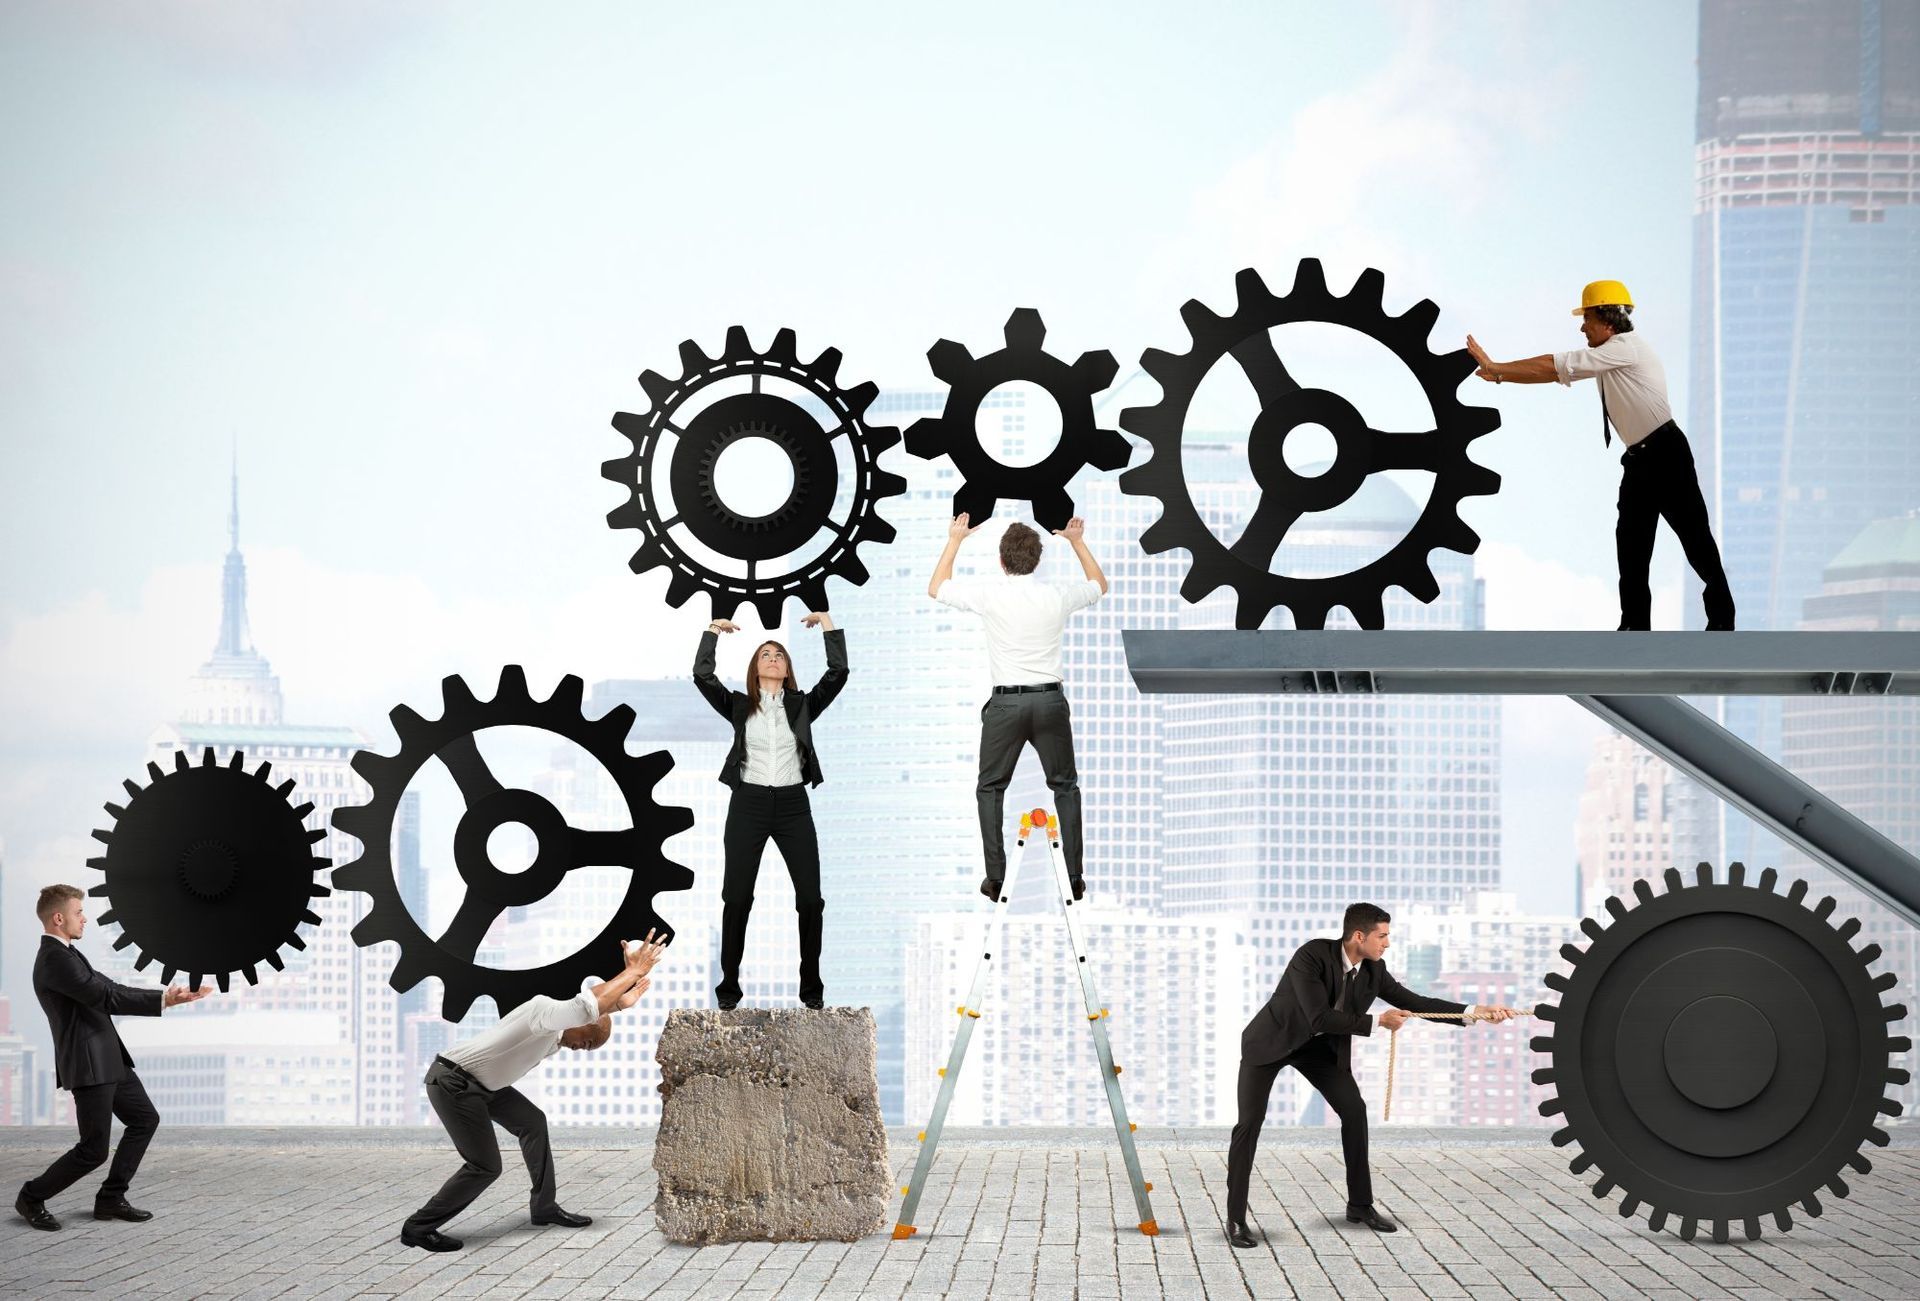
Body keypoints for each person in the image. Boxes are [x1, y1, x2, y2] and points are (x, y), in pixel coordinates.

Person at [1224, 903, 1517, 1246]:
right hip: (1271, 1043)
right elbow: (1318, 1017)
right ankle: (1236, 1219)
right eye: (1383, 936)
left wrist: (1474, 1012)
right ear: (1359, 936)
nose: (1387, 943)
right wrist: (1379, 1021)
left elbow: (1414, 1001)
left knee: (1354, 1111)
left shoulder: (1374, 969)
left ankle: (1360, 1206)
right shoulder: (1312, 956)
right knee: (1249, 1124)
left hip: (1321, 1051)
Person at [1466, 281, 1735, 631]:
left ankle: (1722, 620)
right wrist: (1500, 374)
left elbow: (1554, 367)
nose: (1582, 327)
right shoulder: (1608, 354)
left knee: (1694, 536)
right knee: (1631, 545)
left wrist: (1497, 368)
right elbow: (1555, 373)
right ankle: (1635, 626)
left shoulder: (1625, 348)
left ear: (1609, 320)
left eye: (1587, 319)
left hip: (1666, 454)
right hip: (1639, 460)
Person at [401, 932, 669, 1252]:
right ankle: (417, 1227)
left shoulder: (554, 1037)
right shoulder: (545, 1012)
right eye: (587, 1042)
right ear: (579, 1025)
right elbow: (586, 1007)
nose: (582, 1049)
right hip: (454, 1082)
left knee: (533, 1122)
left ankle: (544, 1208)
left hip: (485, 1086)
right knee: (485, 1166)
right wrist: (633, 971)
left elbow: (595, 1009)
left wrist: (621, 1000)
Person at [929, 515, 1107, 902]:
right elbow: (1099, 584)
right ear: (1037, 560)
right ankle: (1074, 876)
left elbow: (937, 587)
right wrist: (1077, 541)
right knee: (1065, 787)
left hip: (1006, 705)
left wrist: (955, 539)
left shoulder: (991, 595)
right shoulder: (1056, 596)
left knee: (991, 789)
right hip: (1049, 701)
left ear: (1001, 560)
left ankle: (996, 878)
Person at [15, 884, 211, 1232]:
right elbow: (104, 997)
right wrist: (165, 1001)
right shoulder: (54, 960)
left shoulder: (69, 954)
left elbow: (112, 987)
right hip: (89, 1064)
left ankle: (110, 1198)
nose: (84, 919)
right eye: (78, 912)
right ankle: (31, 1197)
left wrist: (165, 997)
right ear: (58, 918)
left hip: (109, 1058)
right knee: (93, 1150)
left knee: (144, 1119)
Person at [694, 612, 847, 1010]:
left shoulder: (802, 705)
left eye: (779, 655)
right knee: (737, 897)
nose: (773, 658)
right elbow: (702, 676)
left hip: (794, 806)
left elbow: (838, 673)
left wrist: (827, 623)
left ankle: (811, 989)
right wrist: (713, 631)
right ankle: (729, 988)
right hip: (748, 804)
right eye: (765, 654)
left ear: (787, 669)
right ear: (755, 668)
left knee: (811, 899)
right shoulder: (739, 705)